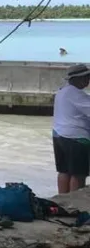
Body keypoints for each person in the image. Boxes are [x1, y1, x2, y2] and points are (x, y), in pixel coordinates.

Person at [52, 63, 90, 194]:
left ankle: (62, 201)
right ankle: (75, 204)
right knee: (78, 174)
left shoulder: (61, 92)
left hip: (58, 135)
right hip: (76, 138)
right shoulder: (77, 94)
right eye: (87, 77)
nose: (88, 80)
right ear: (79, 79)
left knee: (64, 171)